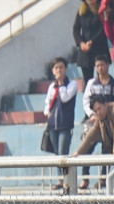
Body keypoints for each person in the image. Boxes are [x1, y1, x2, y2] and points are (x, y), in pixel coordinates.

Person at [80, 56, 114, 188]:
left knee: (106, 150)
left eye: (102, 65)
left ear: (108, 65)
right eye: (97, 66)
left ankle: (104, 179)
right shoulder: (91, 83)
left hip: (108, 122)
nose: (100, 68)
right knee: (87, 147)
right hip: (94, 121)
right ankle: (85, 178)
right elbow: (86, 101)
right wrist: (92, 114)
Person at [73, 95, 114, 182]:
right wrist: (78, 152)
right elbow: (91, 135)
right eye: (95, 111)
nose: (98, 112)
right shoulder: (99, 117)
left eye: (99, 108)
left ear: (106, 104)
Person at [44, 57, 79, 189]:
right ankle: (60, 179)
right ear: (53, 70)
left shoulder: (71, 84)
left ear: (66, 69)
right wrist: (47, 112)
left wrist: (61, 84)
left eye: (61, 67)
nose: (59, 70)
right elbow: (48, 102)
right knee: (56, 153)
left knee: (63, 151)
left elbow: (65, 98)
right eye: (56, 68)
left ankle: (66, 179)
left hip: (65, 123)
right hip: (53, 124)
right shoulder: (51, 87)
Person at [73, 0, 110, 83]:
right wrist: (81, 43)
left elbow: (103, 29)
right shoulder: (81, 11)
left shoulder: (101, 10)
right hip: (85, 50)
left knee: (102, 78)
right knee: (87, 81)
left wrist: (92, 41)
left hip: (99, 48)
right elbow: (76, 29)